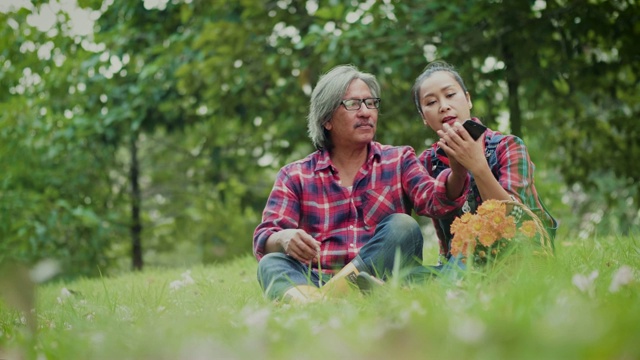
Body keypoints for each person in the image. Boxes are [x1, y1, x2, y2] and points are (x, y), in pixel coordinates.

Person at [253, 64, 471, 302]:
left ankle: (319, 302)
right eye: (353, 104)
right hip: (315, 278)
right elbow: (265, 238)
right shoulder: (295, 175)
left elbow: (435, 202)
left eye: (371, 103)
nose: (366, 112)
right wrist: (284, 238)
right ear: (327, 119)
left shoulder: (399, 159)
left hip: (379, 279)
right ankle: (330, 298)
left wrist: (458, 171)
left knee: (403, 227)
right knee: (271, 263)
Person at [411, 60, 558, 270]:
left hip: (520, 258)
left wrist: (477, 166)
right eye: (431, 102)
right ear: (423, 117)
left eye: (450, 95)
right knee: (410, 274)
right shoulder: (427, 163)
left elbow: (517, 222)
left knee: (464, 256)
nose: (443, 106)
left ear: (468, 99)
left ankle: (447, 285)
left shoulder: (508, 146)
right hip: (458, 263)